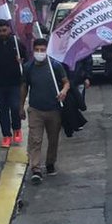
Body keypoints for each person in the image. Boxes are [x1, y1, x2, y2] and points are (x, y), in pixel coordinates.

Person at [20, 38, 69, 185]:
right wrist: (20, 107)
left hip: (54, 110)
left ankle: (50, 163)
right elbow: (24, 87)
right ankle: (35, 168)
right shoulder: (28, 67)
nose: (40, 53)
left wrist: (64, 91)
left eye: (43, 50)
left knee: (53, 139)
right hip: (35, 109)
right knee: (35, 139)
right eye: (37, 50)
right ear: (33, 50)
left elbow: (66, 82)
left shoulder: (55, 66)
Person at [0, 19, 29, 147]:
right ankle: (6, 135)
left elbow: (27, 60)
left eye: (4, 30)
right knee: (2, 110)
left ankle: (17, 129)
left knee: (14, 107)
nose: (2, 33)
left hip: (15, 82)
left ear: (9, 29)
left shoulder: (17, 43)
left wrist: (22, 62)